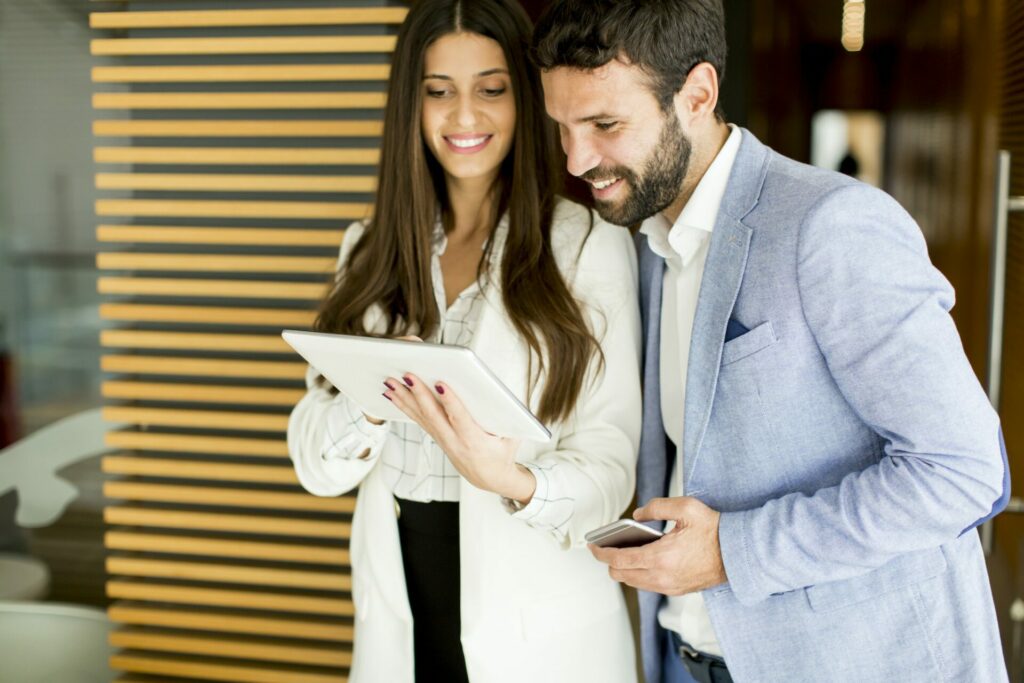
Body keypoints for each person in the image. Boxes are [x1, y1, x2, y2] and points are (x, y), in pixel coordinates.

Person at [532, 1, 1009, 682]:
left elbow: (962, 471)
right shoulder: (641, 244)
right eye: (563, 127)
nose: (578, 159)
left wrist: (734, 549)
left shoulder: (831, 225)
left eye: (605, 124)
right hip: (691, 660)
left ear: (697, 95)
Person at [287, 1, 642, 681]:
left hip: (540, 630)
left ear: (524, 98)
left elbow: (610, 468)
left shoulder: (588, 246)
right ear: (411, 105)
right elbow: (316, 464)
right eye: (439, 92)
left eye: (491, 89)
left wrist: (508, 476)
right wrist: (369, 402)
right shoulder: (368, 250)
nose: (465, 116)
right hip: (401, 612)